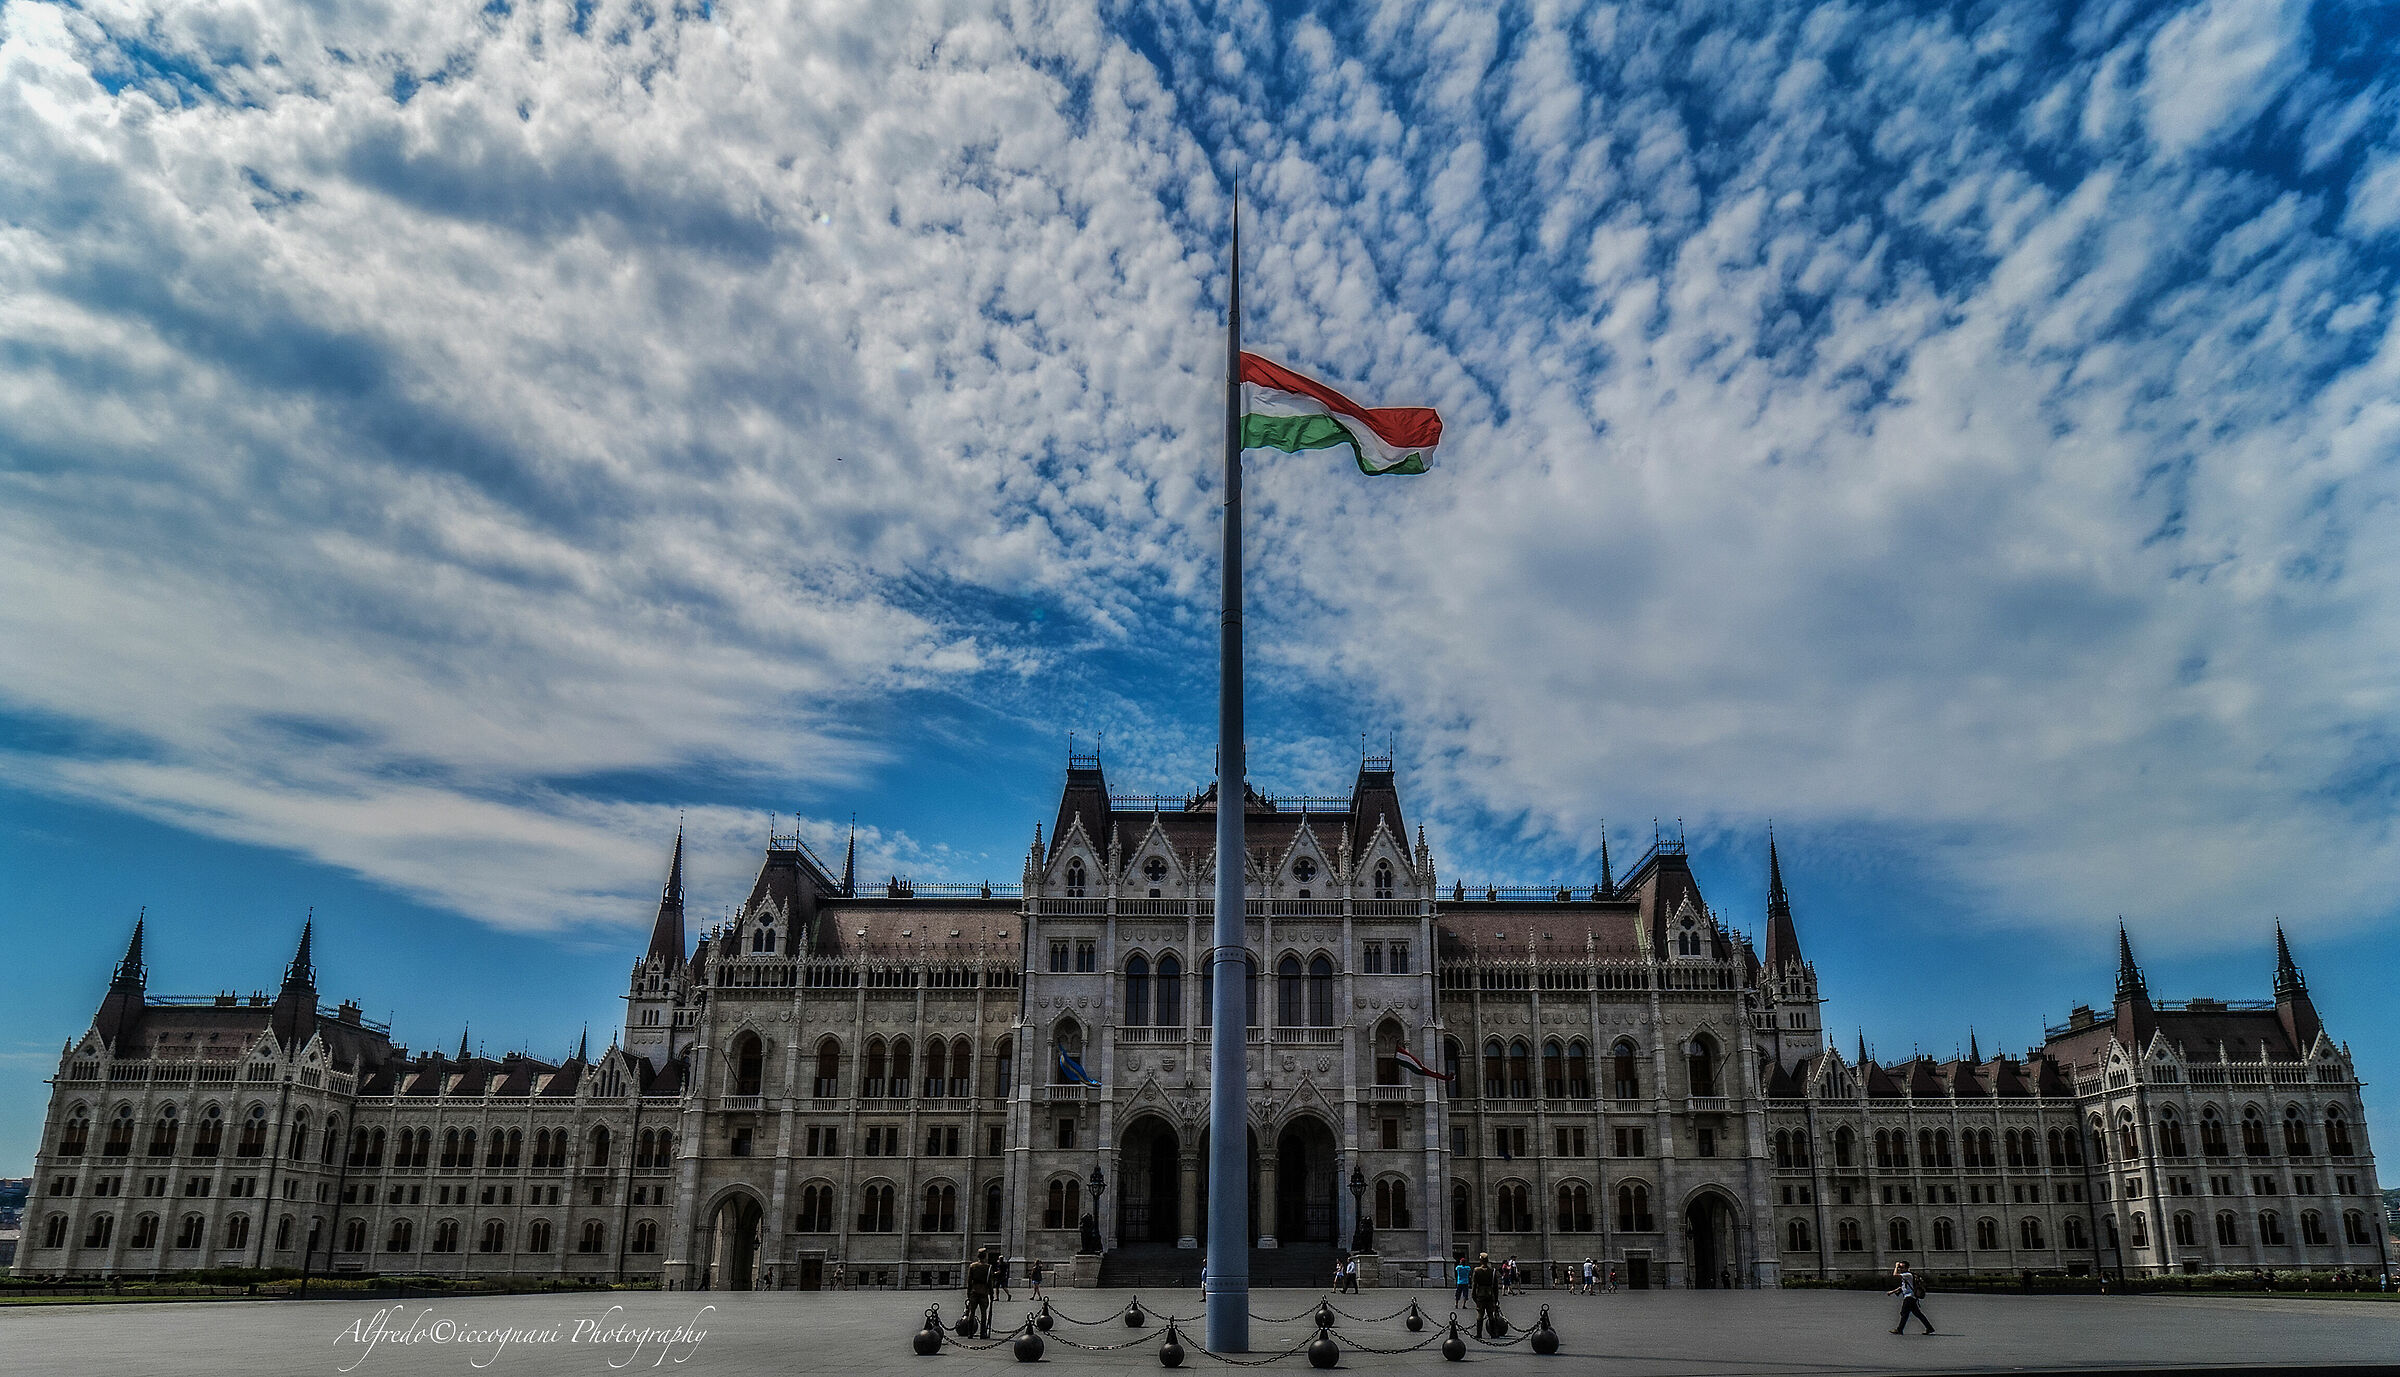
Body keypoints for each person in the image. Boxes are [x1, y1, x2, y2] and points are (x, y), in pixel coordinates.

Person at [1887, 1261, 1934, 1335]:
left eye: (1902, 1267)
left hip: (1910, 1297)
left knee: (1904, 1313)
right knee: (1917, 1314)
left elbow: (1895, 1275)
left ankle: (1899, 1329)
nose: (1900, 1269)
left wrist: (1896, 1266)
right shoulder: (1906, 1275)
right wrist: (1892, 1292)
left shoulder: (1907, 1275)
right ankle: (1929, 1328)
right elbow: (1903, 1286)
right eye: (1899, 1267)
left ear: (1906, 1268)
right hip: (1911, 1297)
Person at [1470, 1253, 1502, 1338]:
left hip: (1480, 1294)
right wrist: (1496, 1299)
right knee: (1491, 1314)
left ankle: (1479, 1334)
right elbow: (1495, 1287)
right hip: (1490, 1294)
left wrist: (1474, 1296)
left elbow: (1474, 1285)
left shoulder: (1477, 1270)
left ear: (1480, 1260)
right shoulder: (1492, 1271)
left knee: (1480, 1314)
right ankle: (1493, 1333)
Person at [965, 1248, 994, 1339]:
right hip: (984, 1292)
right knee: (983, 1313)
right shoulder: (988, 1267)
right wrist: (992, 1294)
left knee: (971, 1312)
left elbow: (969, 1281)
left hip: (974, 1291)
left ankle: (970, 1333)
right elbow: (990, 1282)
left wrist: (968, 1292)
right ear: (985, 1256)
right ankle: (983, 1333)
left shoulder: (972, 1266)